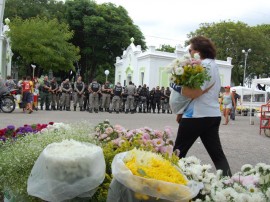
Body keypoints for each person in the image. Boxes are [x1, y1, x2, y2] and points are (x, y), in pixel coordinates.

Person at [171, 36, 232, 176]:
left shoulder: (204, 66)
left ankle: (170, 183)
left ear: (198, 51)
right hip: (211, 115)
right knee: (217, 155)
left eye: (190, 49)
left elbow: (195, 93)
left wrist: (174, 86)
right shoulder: (213, 65)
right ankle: (228, 182)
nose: (189, 52)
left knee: (178, 152)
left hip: (196, 116)